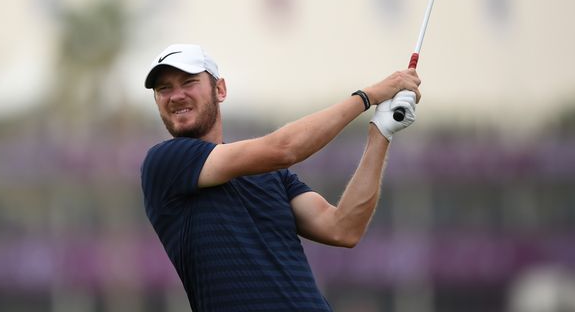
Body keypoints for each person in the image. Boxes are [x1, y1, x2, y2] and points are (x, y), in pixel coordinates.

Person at [140, 43, 420, 311]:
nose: (175, 95)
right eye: (164, 89)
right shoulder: (165, 162)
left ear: (220, 89)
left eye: (188, 82)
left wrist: (381, 131)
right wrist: (366, 97)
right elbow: (285, 148)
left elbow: (343, 227)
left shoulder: (270, 175)